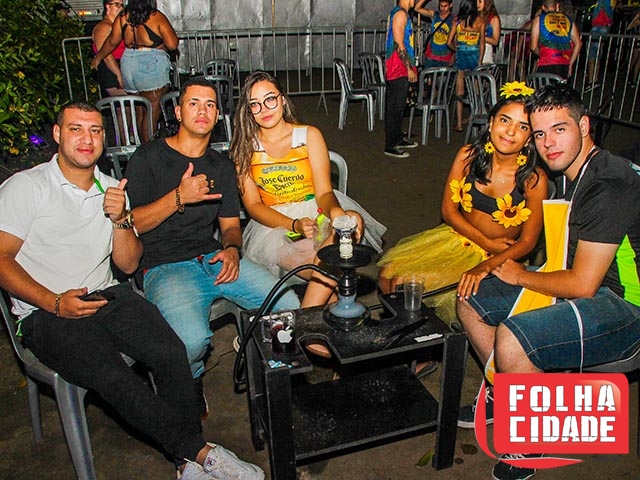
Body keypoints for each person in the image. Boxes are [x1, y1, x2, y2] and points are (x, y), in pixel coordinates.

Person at [0, 101, 264, 480]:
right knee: (112, 374)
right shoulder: (26, 187)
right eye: (76, 129)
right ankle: (200, 453)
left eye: (95, 130)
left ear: (103, 138)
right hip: (44, 311)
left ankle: (185, 465)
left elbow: (127, 265)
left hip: (108, 293)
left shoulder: (112, 188)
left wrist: (121, 220)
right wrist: (53, 302)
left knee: (171, 351)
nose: (87, 138)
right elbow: (2, 259)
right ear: (57, 134)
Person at [456, 83, 640, 480]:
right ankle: (506, 392)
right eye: (539, 134)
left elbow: (584, 285)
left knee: (513, 337)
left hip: (625, 305)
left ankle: (530, 440)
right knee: (471, 297)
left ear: (584, 125)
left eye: (559, 129)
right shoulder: (571, 170)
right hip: (585, 279)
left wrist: (521, 274)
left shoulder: (607, 184)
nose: (548, 143)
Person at [124, 77, 300, 415]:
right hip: (163, 266)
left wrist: (232, 249)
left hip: (212, 257)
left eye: (210, 105)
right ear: (178, 111)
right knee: (192, 341)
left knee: (288, 307)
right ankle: (190, 379)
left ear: (218, 115)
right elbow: (131, 223)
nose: (202, 111)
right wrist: (179, 197)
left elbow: (231, 226)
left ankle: (268, 376)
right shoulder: (148, 157)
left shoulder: (221, 165)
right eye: (193, 103)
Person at [378, 82, 548, 330]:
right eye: (505, 120)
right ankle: (412, 338)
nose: (511, 131)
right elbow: (448, 211)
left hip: (498, 257)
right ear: (491, 122)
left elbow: (528, 242)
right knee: (386, 274)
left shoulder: (533, 179)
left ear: (530, 137)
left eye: (523, 127)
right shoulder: (468, 156)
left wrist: (487, 262)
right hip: (458, 237)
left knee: (405, 284)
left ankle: (423, 342)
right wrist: (486, 241)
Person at [230, 71, 387, 308]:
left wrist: (335, 212)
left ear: (282, 99)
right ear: (249, 110)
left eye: (270, 99)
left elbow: (324, 192)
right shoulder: (245, 148)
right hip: (276, 227)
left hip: (316, 211)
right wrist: (293, 225)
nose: (264, 109)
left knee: (351, 219)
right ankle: (314, 317)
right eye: (255, 104)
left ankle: (309, 318)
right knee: (329, 273)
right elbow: (253, 206)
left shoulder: (309, 135)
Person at [91, 0, 179, 142]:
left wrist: (98, 57)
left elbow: (112, 42)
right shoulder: (156, 16)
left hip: (129, 63)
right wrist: (160, 44)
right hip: (151, 64)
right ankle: (149, 149)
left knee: (140, 111)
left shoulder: (123, 17)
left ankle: (141, 147)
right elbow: (173, 44)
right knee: (151, 113)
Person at [384, 0, 420, 159]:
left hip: (400, 66)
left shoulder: (401, 13)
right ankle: (391, 145)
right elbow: (399, 44)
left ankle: (398, 137)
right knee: (395, 107)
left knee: (399, 106)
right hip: (398, 67)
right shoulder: (400, 14)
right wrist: (408, 67)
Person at [448, 0, 485, 133]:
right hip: (474, 57)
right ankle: (476, 122)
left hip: (461, 57)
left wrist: (458, 49)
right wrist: (480, 61)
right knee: (476, 92)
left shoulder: (457, 21)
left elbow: (449, 42)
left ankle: (459, 123)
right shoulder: (480, 21)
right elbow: (482, 43)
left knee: (459, 92)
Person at [529, 0, 581, 80]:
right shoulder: (568, 20)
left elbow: (533, 47)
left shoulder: (539, 20)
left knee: (545, 87)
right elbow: (578, 43)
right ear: (557, 6)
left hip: (546, 63)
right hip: (563, 63)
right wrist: (570, 64)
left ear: (543, 7)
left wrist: (543, 54)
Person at [92, 1, 126, 98]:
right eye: (117, 5)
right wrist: (118, 74)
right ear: (108, 6)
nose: (121, 8)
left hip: (120, 65)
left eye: (122, 5)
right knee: (124, 102)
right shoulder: (103, 27)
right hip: (110, 70)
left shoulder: (116, 26)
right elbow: (106, 55)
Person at [585, 0, 618, 91]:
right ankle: (594, 80)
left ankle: (591, 81)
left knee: (592, 56)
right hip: (605, 27)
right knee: (598, 55)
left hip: (598, 28)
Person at [415, 0, 455, 68]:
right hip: (431, 55)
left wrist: (453, 56)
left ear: (450, 5)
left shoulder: (453, 19)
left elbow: (455, 40)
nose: (443, 8)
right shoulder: (435, 15)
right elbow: (417, 8)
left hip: (445, 56)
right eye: (441, 6)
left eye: (445, 6)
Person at [478, 0, 501, 64]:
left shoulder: (494, 18)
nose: (477, 4)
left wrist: (480, 37)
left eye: (480, 1)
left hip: (486, 52)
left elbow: (495, 41)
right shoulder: (475, 16)